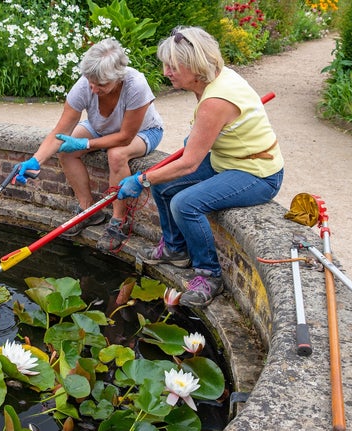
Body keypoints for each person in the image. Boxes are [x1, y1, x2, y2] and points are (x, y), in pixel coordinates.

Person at [117, 26, 284, 308]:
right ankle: (175, 249)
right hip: (227, 160)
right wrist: (155, 178)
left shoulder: (216, 100)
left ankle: (209, 275)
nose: (166, 71)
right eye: (165, 64)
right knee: (163, 184)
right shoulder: (211, 82)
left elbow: (189, 163)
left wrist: (142, 178)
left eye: (172, 66)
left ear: (195, 66)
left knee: (185, 204)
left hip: (257, 173)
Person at [14, 38, 164, 252]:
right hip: (101, 128)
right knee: (66, 150)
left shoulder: (135, 85)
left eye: (101, 84)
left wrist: (85, 143)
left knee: (116, 154)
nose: (93, 89)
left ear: (118, 77)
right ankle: (88, 211)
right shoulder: (86, 84)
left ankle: (119, 221)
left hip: (143, 132)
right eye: (91, 82)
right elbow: (60, 132)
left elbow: (125, 137)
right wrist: (35, 161)